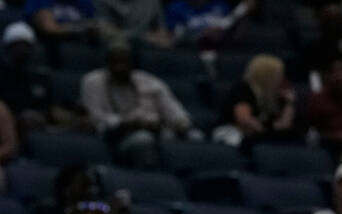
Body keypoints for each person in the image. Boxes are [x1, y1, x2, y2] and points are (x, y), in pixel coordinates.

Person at [80, 39, 192, 168]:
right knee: (142, 139)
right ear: (107, 63)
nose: (120, 67)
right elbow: (95, 117)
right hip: (117, 139)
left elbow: (174, 110)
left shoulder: (149, 81)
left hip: (159, 132)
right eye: (115, 62)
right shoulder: (93, 82)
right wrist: (129, 124)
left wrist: (182, 123)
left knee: (195, 137)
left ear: (133, 63)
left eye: (124, 62)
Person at [215, 54, 300, 147]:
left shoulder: (275, 94)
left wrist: (289, 103)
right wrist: (267, 129)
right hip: (234, 132)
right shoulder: (243, 89)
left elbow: (284, 125)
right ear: (266, 75)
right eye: (278, 74)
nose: (281, 78)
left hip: (262, 136)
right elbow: (244, 120)